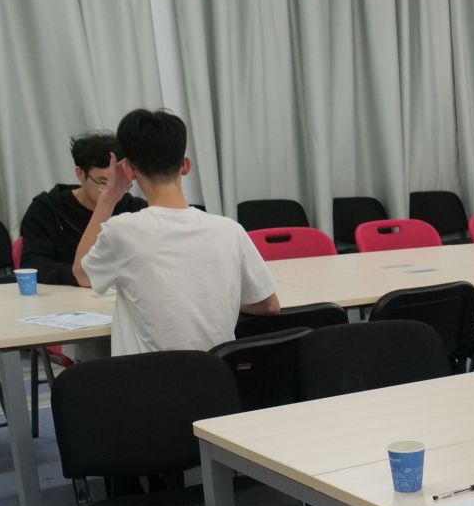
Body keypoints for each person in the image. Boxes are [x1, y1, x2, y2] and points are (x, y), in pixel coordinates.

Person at [74, 109, 279, 357]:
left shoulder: (121, 231)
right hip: (216, 376)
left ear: (128, 170)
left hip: (148, 379)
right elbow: (269, 305)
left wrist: (109, 196)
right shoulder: (230, 230)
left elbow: (81, 274)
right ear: (186, 165)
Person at [18, 132, 147, 287]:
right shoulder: (47, 209)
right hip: (66, 294)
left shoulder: (135, 209)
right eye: (103, 182)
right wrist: (82, 277)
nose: (112, 190)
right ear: (80, 174)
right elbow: (33, 265)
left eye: (120, 182)